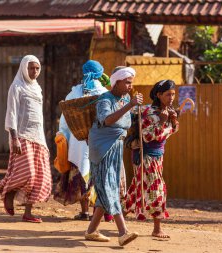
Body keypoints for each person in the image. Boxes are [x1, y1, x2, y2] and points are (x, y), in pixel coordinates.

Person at [0, 55, 52, 223]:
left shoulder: (37, 88)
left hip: (38, 137)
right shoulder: (16, 87)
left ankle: (28, 213)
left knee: (39, 176)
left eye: (37, 68)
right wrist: (14, 138)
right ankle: (8, 192)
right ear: (24, 68)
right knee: (28, 173)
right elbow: (12, 113)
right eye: (31, 68)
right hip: (22, 136)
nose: (34, 71)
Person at [85, 66, 143, 246]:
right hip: (102, 149)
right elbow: (107, 120)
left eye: (131, 82)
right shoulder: (105, 99)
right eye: (126, 82)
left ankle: (92, 230)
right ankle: (123, 232)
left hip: (116, 148)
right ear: (116, 82)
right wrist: (130, 105)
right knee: (109, 188)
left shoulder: (125, 98)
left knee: (106, 188)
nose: (129, 85)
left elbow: (130, 116)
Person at [124, 79, 179, 239]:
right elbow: (148, 136)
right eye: (168, 94)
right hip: (145, 156)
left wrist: (173, 120)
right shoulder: (148, 112)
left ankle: (118, 214)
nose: (171, 98)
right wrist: (163, 121)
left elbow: (173, 130)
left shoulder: (167, 110)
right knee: (157, 188)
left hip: (157, 157)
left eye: (173, 94)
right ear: (158, 95)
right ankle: (157, 228)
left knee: (137, 188)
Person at [54, 60, 108, 221]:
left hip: (77, 143)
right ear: (100, 73)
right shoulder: (105, 93)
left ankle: (84, 212)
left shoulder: (73, 94)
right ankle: (96, 214)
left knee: (81, 175)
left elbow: (65, 121)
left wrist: (63, 135)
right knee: (97, 176)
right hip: (99, 142)